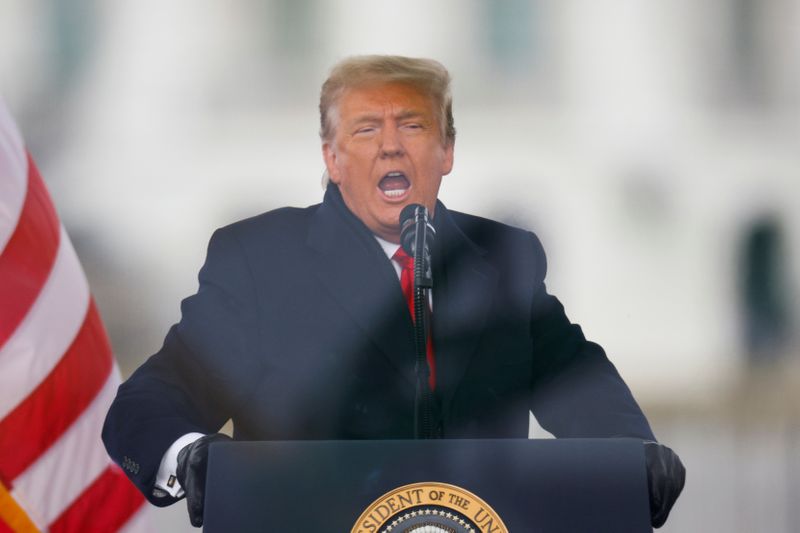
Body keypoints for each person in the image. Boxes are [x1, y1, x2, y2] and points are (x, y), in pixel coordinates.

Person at [102, 55, 685, 528]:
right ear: (332, 158)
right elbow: (154, 399)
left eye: (412, 125)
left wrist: (635, 456)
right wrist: (190, 457)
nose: (390, 146)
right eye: (365, 129)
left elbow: (576, 380)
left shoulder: (503, 259)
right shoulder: (260, 259)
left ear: (447, 151)